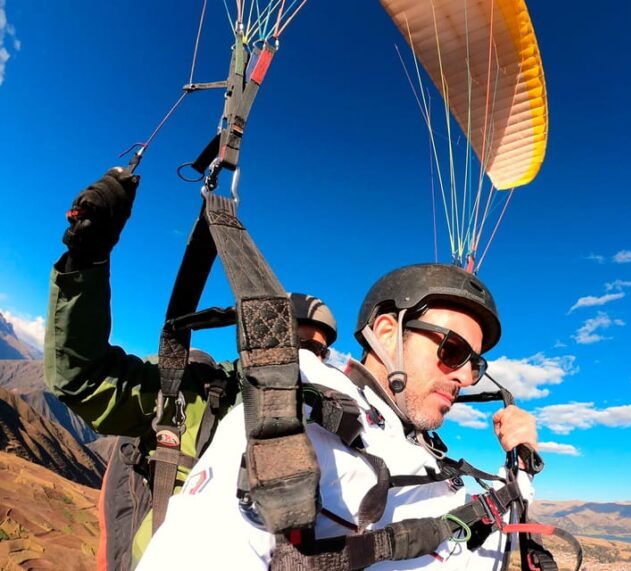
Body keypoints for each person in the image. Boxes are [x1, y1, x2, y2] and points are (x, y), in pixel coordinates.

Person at [138, 263, 541, 570]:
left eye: (475, 364)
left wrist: (522, 462)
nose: (463, 378)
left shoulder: (410, 441)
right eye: (451, 350)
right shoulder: (300, 412)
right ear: (386, 331)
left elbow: (469, 546)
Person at [44, 168, 339, 569]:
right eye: (289, 339)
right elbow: (82, 378)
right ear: (253, 337)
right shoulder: (198, 392)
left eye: (316, 351)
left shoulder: (333, 429)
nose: (302, 358)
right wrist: (88, 258)